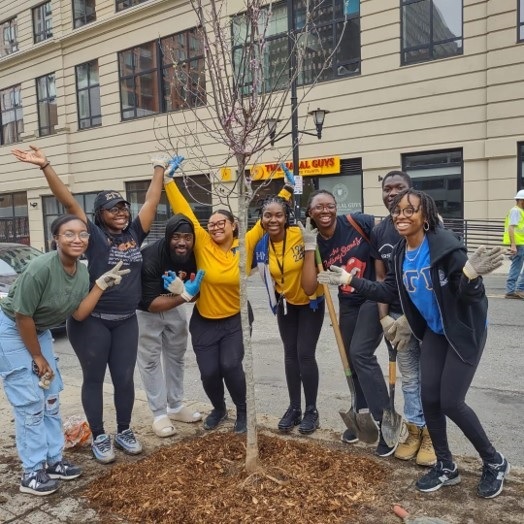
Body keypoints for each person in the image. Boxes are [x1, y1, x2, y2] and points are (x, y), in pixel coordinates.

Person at [319, 188, 509, 499]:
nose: (401, 216)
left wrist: (471, 275)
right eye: (396, 211)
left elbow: (468, 297)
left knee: (450, 401)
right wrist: (349, 280)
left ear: (425, 216)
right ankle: (446, 466)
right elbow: (389, 291)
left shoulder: (445, 247)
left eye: (410, 210)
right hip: (435, 331)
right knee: (428, 398)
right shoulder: (401, 253)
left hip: (463, 331)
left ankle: (495, 461)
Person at [11, 145, 164, 464]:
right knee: (94, 379)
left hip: (126, 319)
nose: (121, 212)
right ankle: (99, 436)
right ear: (100, 215)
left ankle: (123, 430)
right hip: (91, 319)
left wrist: (159, 168)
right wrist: (45, 166)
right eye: (113, 209)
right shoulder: (91, 234)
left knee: (124, 378)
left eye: (123, 207)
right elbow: (67, 200)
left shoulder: (134, 232)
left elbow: (150, 200)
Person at [163, 156, 294, 434]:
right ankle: (219, 408)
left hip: (235, 319)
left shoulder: (245, 243)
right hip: (205, 321)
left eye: (222, 222)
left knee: (231, 365)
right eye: (211, 223)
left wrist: (288, 189)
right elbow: (183, 211)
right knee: (209, 372)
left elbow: (268, 216)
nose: (215, 226)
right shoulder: (202, 243)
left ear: (234, 225)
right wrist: (168, 182)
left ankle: (243, 411)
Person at [0, 215, 128, 495]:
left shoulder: (81, 272)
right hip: (12, 329)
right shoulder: (40, 268)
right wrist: (37, 357)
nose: (77, 239)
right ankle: (32, 473)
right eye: (68, 234)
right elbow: (22, 315)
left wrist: (100, 285)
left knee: (50, 398)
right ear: (55, 239)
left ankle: (53, 460)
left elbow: (80, 313)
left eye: (82, 234)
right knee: (30, 402)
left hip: (38, 330)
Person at [305, 189, 393, 456]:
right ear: (310, 213)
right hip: (349, 303)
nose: (325, 211)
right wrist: (309, 246)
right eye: (318, 207)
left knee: (360, 354)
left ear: (336, 207)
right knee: (349, 359)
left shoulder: (358, 222)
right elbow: (309, 288)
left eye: (329, 205)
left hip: (373, 297)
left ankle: (386, 423)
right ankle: (362, 412)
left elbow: (386, 237)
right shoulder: (317, 243)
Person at [372, 171, 436, 466]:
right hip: (397, 318)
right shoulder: (380, 230)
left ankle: (434, 435)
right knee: (410, 378)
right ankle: (414, 430)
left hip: (427, 319)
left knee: (433, 379)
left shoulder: (431, 227)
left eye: (400, 188)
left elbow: (436, 282)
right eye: (388, 189)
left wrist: (412, 319)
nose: (393, 193)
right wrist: (385, 319)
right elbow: (381, 277)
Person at [255, 194, 324, 434]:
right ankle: (294, 408)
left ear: (286, 218)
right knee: (290, 355)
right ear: (262, 219)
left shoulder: (299, 234)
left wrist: (309, 245)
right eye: (268, 215)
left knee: (305, 354)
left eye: (278, 215)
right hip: (286, 304)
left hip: (310, 302)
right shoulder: (262, 246)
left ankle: (311, 411)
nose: (273, 220)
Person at [137, 213, 203, 438]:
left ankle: (174, 406)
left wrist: (186, 294)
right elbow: (150, 303)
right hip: (148, 311)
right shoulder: (152, 256)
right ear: (167, 237)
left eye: (187, 237)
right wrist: (184, 295)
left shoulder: (194, 255)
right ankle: (158, 413)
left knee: (176, 356)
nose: (182, 242)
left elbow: (196, 293)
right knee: (150, 360)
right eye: (176, 237)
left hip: (175, 306)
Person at [502, 189, 524, 299]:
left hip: (521, 243)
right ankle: (511, 291)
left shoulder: (521, 211)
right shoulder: (516, 211)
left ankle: (520, 289)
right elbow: (511, 227)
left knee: (517, 266)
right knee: (516, 267)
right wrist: (513, 245)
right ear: (521, 200)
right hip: (519, 244)